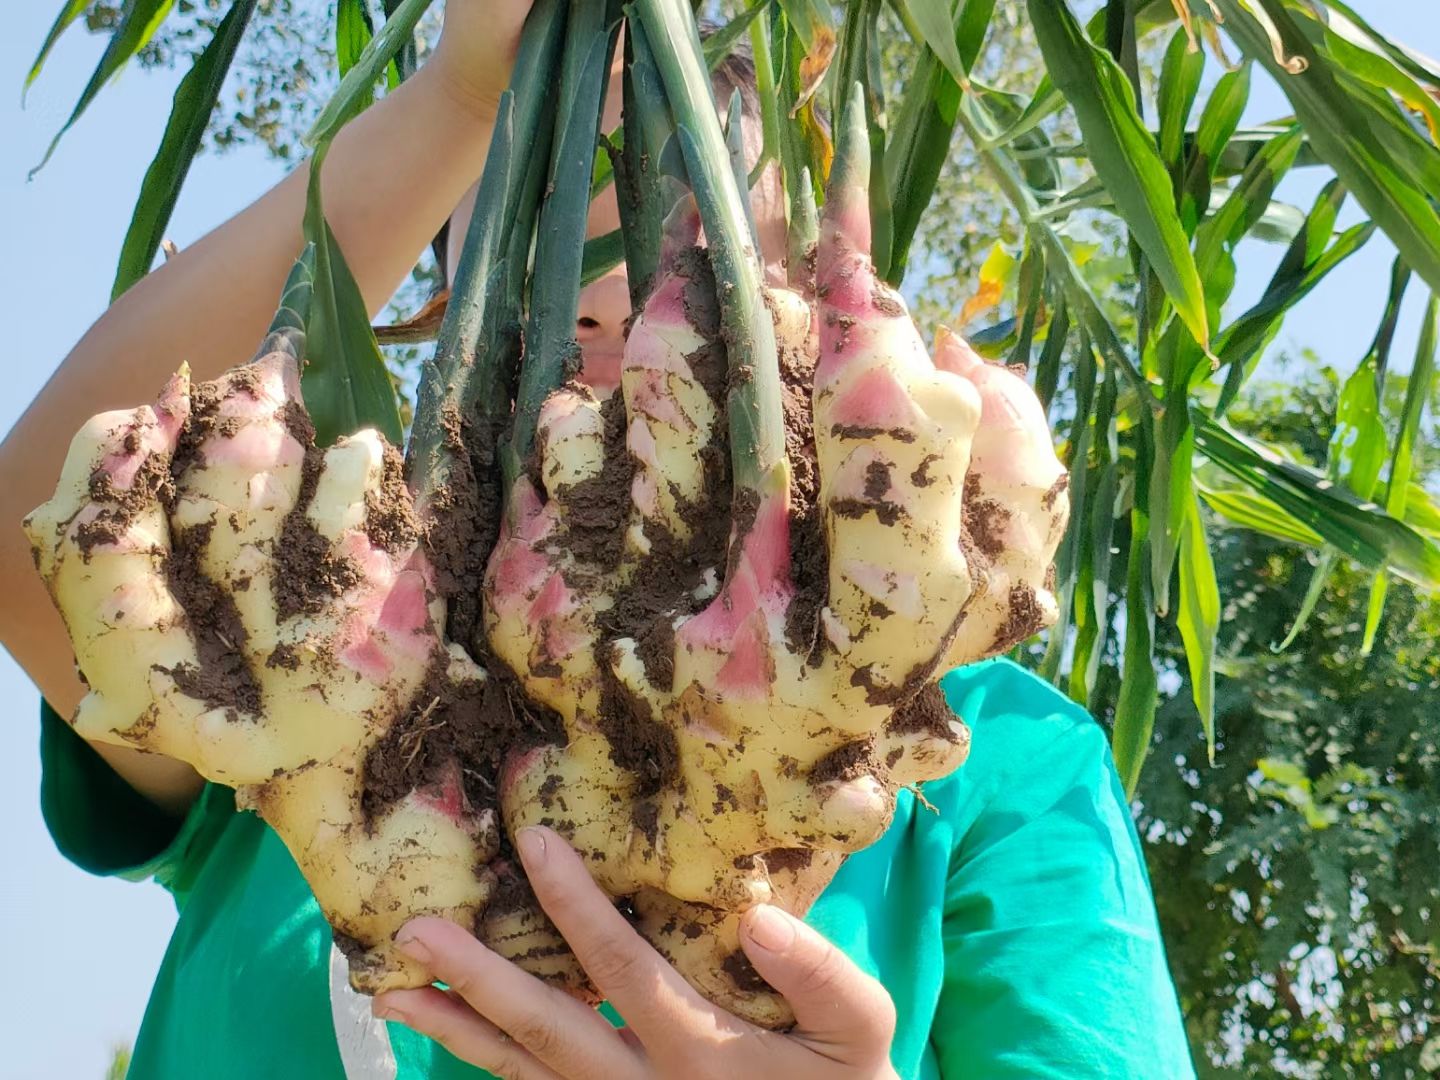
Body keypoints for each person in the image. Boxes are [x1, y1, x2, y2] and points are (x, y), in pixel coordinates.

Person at [0, 3, 1196, 1077]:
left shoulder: (1002, 751)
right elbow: (49, 534)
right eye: (558, 278)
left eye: (694, 278)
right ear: (450, 320)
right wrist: (459, 100)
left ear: (801, 340)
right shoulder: (324, 651)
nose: (617, 327)